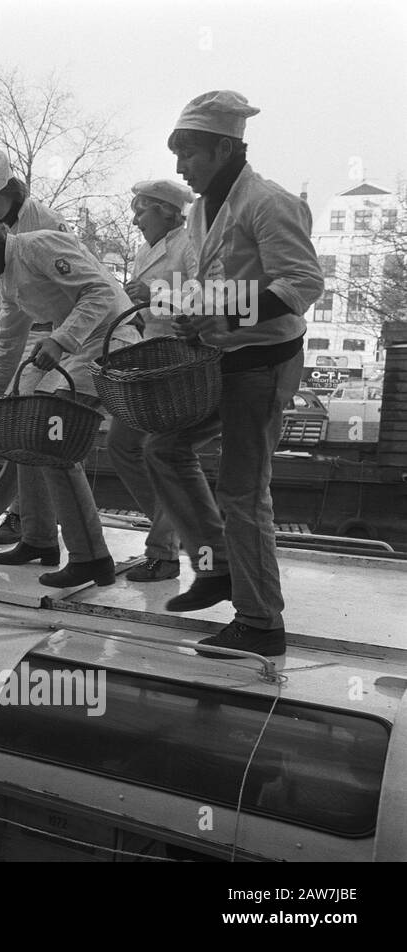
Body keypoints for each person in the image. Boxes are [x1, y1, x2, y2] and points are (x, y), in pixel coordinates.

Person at [151, 91, 324, 658]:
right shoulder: (203, 209)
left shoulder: (270, 203)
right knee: (162, 448)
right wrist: (189, 313)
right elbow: (217, 280)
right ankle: (219, 566)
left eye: (189, 154)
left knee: (244, 493)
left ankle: (261, 622)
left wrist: (221, 314)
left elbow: (300, 285)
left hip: (263, 367)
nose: (179, 167)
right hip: (221, 362)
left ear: (225, 148)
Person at [0, 205, 140, 588]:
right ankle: (38, 539)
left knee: (57, 442)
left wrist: (60, 339)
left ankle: (92, 558)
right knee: (24, 424)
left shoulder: (39, 246)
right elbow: (8, 342)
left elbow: (100, 290)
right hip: (78, 346)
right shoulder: (7, 277)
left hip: (110, 341)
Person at [0, 147, 73, 547]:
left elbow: (21, 317)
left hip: (58, 329)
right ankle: (32, 520)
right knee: (18, 414)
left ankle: (31, 517)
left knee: (30, 418)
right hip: (33, 324)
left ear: (12, 190)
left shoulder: (44, 225)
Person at [106, 178, 196, 582]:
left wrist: (153, 294)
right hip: (150, 356)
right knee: (122, 445)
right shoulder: (146, 249)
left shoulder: (191, 244)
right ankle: (170, 529)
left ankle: (163, 552)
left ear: (165, 209)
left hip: (179, 360)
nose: (135, 218)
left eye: (142, 210)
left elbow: (208, 300)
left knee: (159, 452)